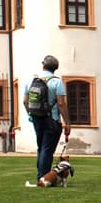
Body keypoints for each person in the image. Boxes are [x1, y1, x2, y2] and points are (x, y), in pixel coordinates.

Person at [23, 55, 70, 183]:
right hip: (52, 119)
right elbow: (61, 104)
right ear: (55, 68)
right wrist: (67, 122)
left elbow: (25, 101)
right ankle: (43, 177)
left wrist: (30, 115)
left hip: (37, 118)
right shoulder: (56, 82)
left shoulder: (31, 80)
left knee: (41, 147)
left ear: (43, 64)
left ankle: (41, 176)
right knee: (47, 149)